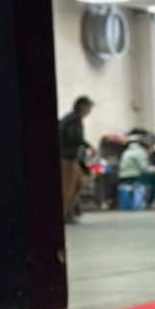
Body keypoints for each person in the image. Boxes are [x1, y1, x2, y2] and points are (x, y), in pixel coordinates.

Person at [58, 95, 93, 223]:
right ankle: (64, 214)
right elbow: (74, 137)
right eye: (88, 108)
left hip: (72, 158)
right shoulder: (73, 120)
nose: (89, 112)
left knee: (80, 183)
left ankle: (68, 210)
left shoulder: (72, 119)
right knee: (68, 188)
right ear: (82, 107)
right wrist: (89, 146)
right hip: (66, 158)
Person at [117, 134, 155, 207]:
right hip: (134, 177)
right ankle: (150, 202)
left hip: (123, 177)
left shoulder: (127, 151)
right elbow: (144, 169)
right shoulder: (140, 152)